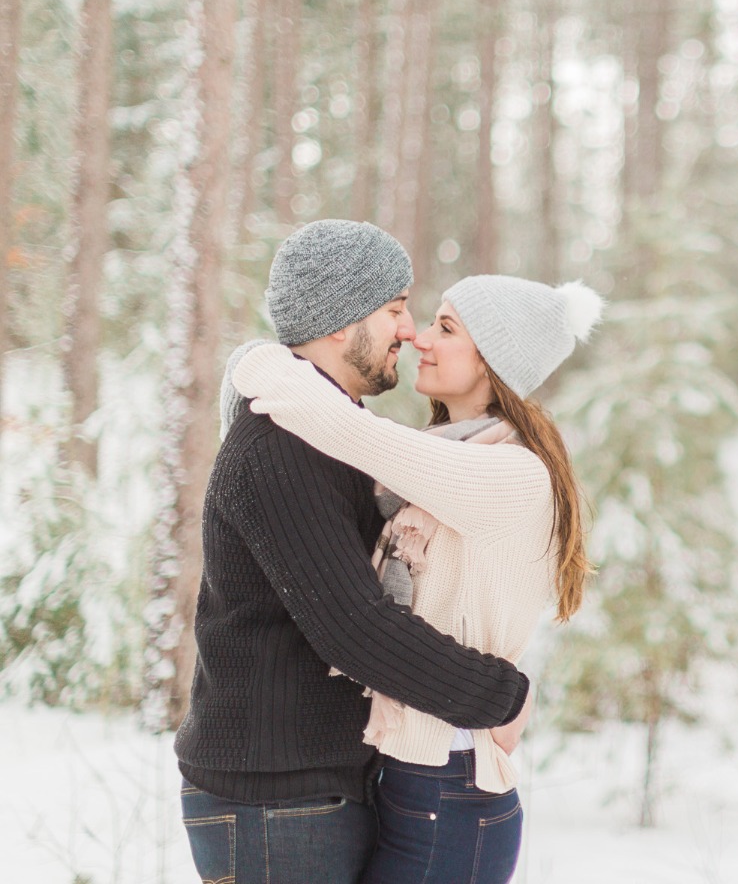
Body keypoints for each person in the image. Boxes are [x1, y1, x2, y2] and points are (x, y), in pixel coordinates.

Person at [176, 221, 531, 884]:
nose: (410, 329)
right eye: (395, 309)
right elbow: (354, 627)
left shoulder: (325, 434)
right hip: (275, 798)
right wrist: (502, 695)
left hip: (302, 785)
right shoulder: (283, 445)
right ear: (342, 323)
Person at [231, 272, 601, 884]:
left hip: (453, 787)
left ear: (495, 361)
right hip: (414, 777)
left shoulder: (509, 474)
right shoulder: (446, 455)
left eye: (446, 328)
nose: (420, 338)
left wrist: (263, 361)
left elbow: (348, 431)